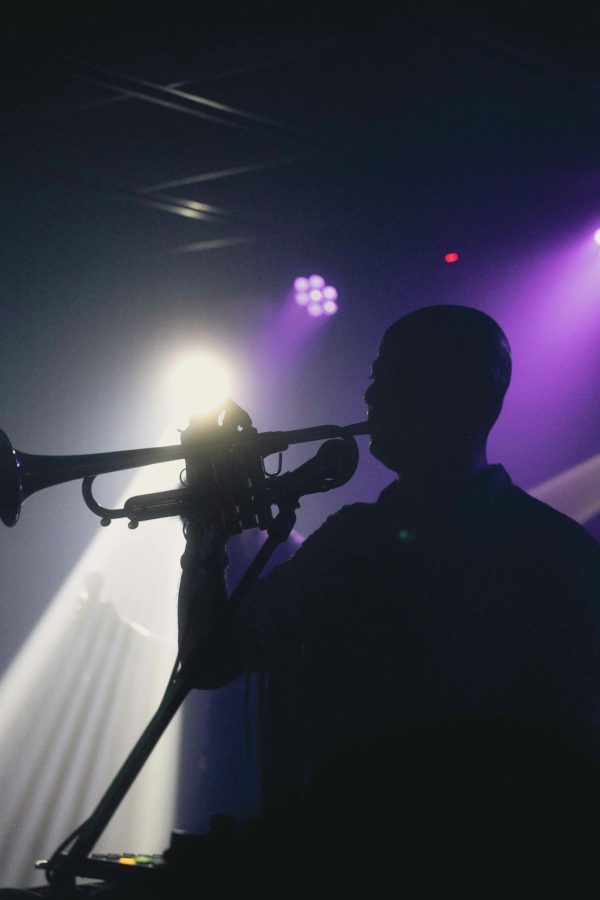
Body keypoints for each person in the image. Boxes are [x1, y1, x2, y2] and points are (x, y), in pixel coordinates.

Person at [177, 304, 600, 879]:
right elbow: (211, 663)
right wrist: (204, 534)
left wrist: (203, 533)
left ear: (455, 392)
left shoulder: (360, 540)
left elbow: (209, 661)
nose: (372, 396)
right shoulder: (562, 548)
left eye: (390, 375)